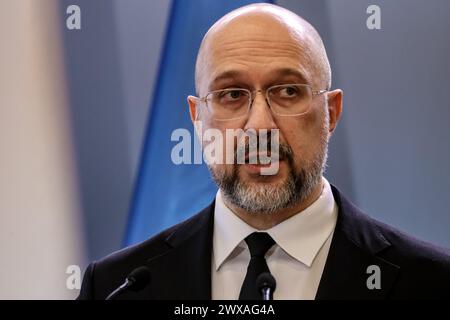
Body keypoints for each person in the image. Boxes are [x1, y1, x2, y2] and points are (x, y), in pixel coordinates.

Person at [78, 3, 450, 300]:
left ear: (331, 113)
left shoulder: (432, 281)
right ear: (197, 117)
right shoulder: (117, 287)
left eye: (288, 91)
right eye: (232, 95)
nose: (259, 126)